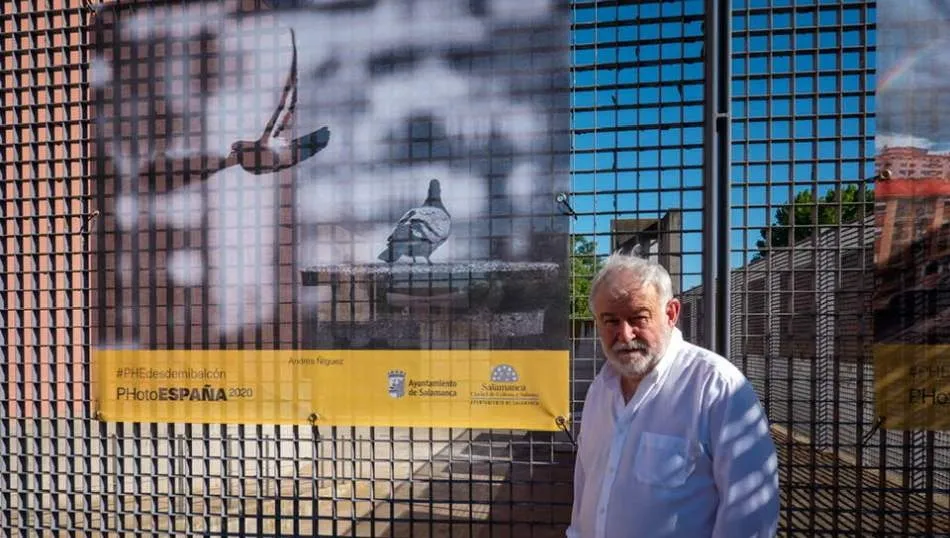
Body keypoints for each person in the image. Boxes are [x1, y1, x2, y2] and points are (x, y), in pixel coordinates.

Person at [567, 254, 780, 538]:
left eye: (638, 318)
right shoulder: (599, 390)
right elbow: (586, 482)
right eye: (611, 321)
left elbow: (750, 516)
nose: (625, 334)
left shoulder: (718, 388)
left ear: (671, 313)